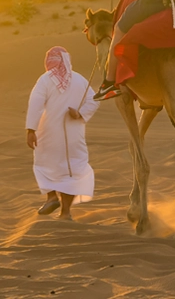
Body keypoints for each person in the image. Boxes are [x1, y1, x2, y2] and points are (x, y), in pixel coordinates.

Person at [25, 46, 100, 220]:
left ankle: (51, 197)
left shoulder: (45, 80)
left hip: (49, 133)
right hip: (74, 135)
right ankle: (65, 213)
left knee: (45, 165)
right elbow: (94, 100)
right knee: (72, 171)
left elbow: (35, 105)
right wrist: (80, 113)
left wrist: (31, 130)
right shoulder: (79, 80)